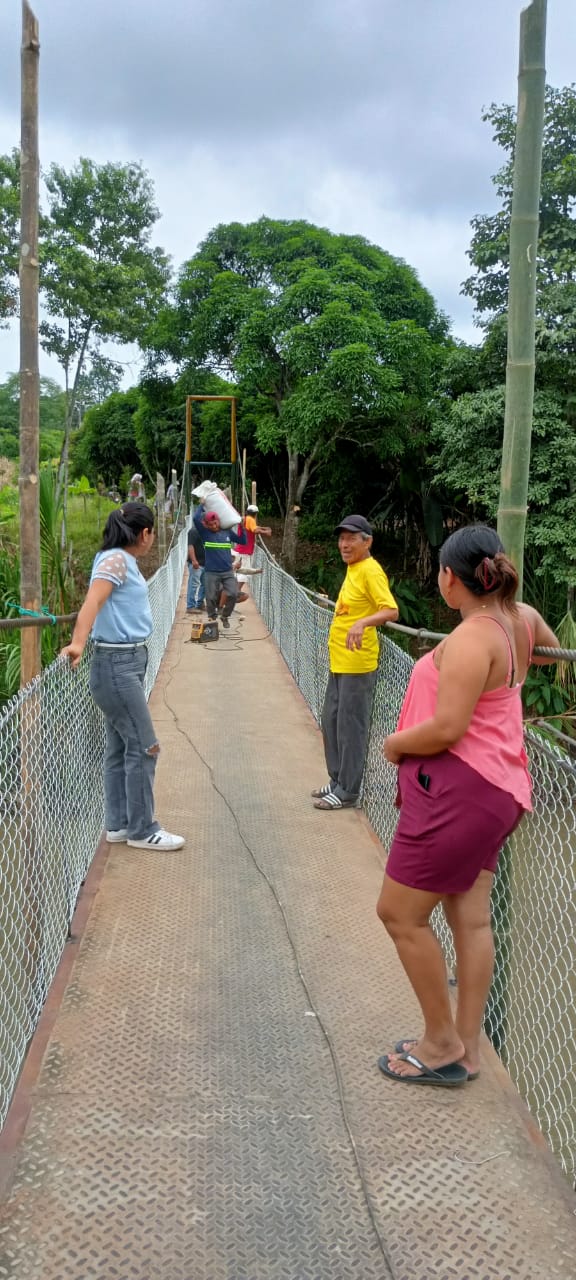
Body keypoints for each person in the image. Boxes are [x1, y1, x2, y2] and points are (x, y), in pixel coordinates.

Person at [376, 524, 559, 1088]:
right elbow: (547, 650)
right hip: (500, 787)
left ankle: (440, 1042)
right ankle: (468, 1049)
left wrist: (394, 744)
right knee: (470, 918)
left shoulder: (471, 639)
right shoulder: (518, 620)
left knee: (399, 914)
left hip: (458, 790)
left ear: (450, 578)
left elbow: (447, 728)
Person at [61, 503, 185, 852]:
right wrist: (78, 643)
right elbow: (92, 602)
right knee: (146, 747)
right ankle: (142, 829)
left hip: (125, 662)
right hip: (117, 666)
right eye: (152, 533)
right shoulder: (115, 560)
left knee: (120, 748)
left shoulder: (120, 559)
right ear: (144, 534)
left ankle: (118, 824)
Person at [312, 514, 399, 811]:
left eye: (351, 538)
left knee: (351, 727)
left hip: (358, 664)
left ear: (367, 542)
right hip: (340, 661)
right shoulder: (354, 568)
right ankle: (338, 779)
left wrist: (363, 623)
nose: (344, 544)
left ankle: (348, 790)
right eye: (341, 538)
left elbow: (390, 610)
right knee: (331, 721)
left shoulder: (371, 571)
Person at [193, 507, 246, 630]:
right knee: (210, 597)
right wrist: (202, 504)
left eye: (215, 523)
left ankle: (225, 616)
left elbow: (243, 541)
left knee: (233, 593)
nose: (214, 526)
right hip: (211, 572)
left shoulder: (227, 532)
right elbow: (195, 518)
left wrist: (242, 527)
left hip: (227, 571)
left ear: (219, 521)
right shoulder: (205, 533)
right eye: (210, 524)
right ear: (206, 525)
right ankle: (212, 618)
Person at [186, 521, 206, 613]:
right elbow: (190, 546)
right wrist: (194, 560)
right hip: (196, 563)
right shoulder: (193, 531)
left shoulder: (207, 531)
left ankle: (200, 603)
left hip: (206, 563)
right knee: (194, 584)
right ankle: (190, 606)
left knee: (205, 585)